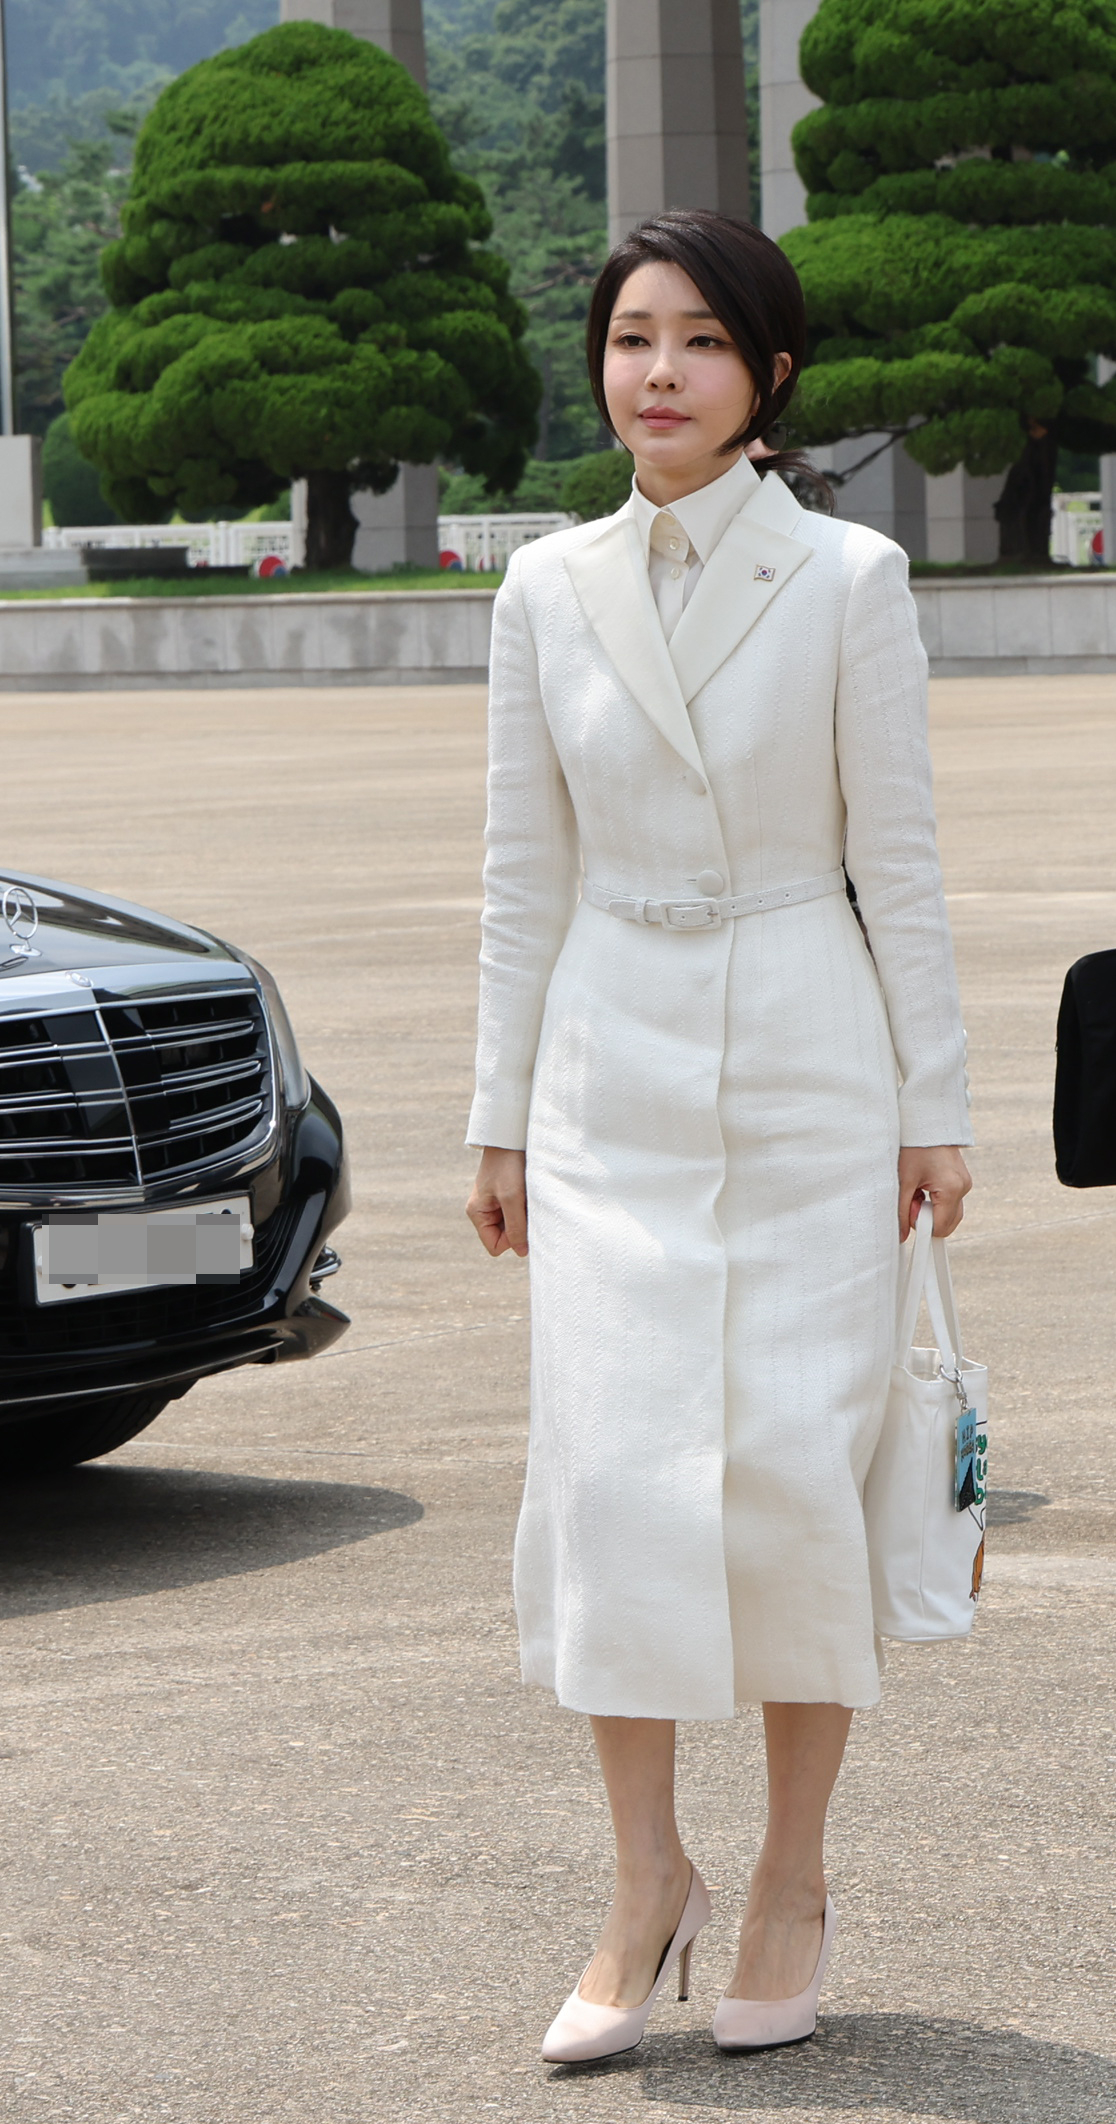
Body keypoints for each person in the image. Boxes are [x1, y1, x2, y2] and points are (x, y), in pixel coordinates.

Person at [466, 209, 972, 2064]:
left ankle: (792, 1878)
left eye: (694, 341)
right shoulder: (542, 587)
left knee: (784, 1478)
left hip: (809, 1061)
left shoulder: (848, 579)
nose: (654, 371)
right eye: (626, 339)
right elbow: (525, 875)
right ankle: (640, 1877)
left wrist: (938, 1103)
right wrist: (495, 1116)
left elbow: (897, 864)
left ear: (767, 375)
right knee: (612, 1479)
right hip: (608, 1068)